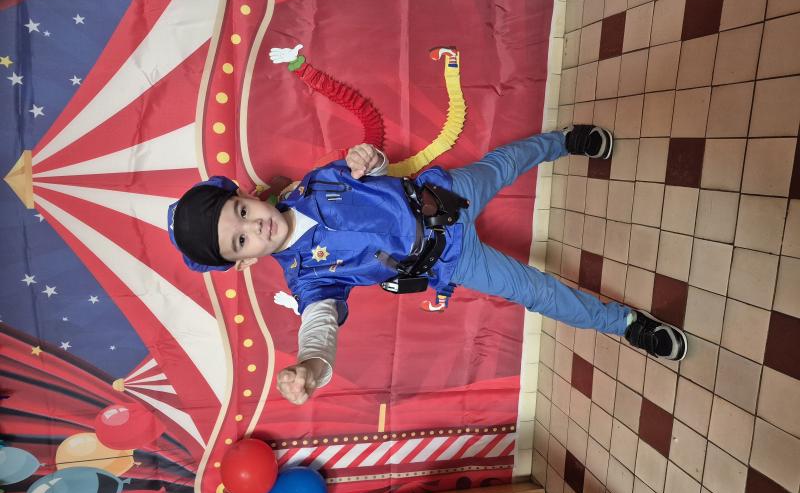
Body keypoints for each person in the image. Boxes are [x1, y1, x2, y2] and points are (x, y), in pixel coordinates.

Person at [168, 125, 688, 405]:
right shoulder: (308, 279)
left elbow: (374, 169)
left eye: (242, 213)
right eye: (239, 241)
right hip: (453, 260)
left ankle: (563, 141)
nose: (255, 227)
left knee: (505, 163)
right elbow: (319, 327)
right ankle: (624, 324)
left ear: (245, 196)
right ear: (242, 263)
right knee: (537, 293)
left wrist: (367, 159)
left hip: (445, 197)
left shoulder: (315, 184)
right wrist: (310, 367)